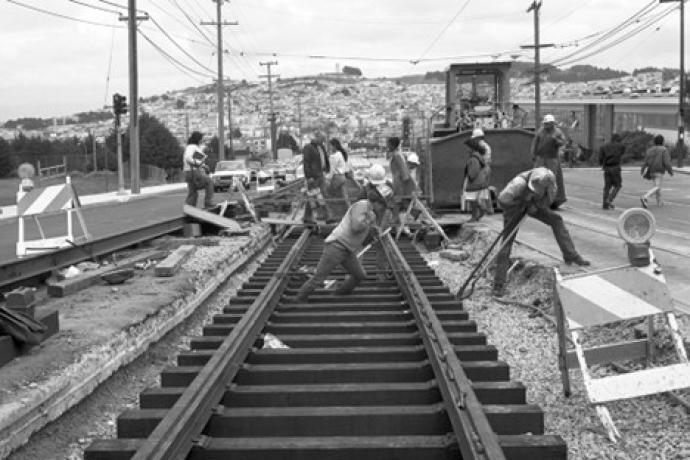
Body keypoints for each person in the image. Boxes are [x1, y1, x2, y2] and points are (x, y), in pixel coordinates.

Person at [493, 167, 590, 298]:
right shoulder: (518, 183)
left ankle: (570, 254)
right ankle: (498, 284)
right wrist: (521, 204)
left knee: (556, 220)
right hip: (514, 207)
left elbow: (547, 202)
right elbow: (502, 200)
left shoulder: (551, 186)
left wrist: (536, 206)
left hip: (533, 206)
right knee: (506, 243)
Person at [291, 181, 393, 303]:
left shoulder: (371, 214)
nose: (382, 209)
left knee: (359, 275)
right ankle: (298, 300)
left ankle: (339, 294)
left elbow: (361, 235)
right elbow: (356, 226)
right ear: (378, 202)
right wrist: (369, 223)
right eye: (383, 206)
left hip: (347, 250)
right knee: (318, 278)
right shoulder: (362, 206)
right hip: (336, 246)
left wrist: (373, 232)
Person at [531, 114, 567, 209]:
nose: (546, 126)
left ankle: (550, 201)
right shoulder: (540, 131)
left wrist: (555, 140)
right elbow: (535, 143)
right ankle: (537, 200)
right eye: (545, 124)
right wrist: (533, 155)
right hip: (541, 158)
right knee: (537, 178)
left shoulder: (557, 132)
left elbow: (563, 142)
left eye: (548, 124)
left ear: (552, 124)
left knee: (551, 180)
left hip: (552, 159)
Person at [302, 131, 334, 223]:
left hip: (321, 174)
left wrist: (327, 169)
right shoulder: (309, 148)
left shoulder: (321, 147)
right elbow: (306, 163)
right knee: (313, 196)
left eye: (324, 140)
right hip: (313, 176)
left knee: (322, 195)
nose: (323, 141)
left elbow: (325, 158)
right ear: (316, 138)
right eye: (322, 139)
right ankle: (309, 217)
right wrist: (309, 177)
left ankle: (325, 216)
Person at [388, 136, 416, 224]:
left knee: (397, 201)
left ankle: (395, 220)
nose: (387, 146)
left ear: (393, 145)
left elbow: (403, 171)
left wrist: (404, 183)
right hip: (398, 182)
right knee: (401, 202)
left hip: (399, 183)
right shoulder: (396, 154)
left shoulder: (397, 155)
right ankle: (415, 213)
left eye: (388, 144)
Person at [640, 134, 674, 208]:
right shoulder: (664, 150)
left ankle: (660, 202)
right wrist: (670, 171)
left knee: (656, 186)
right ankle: (645, 197)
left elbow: (645, 162)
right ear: (663, 141)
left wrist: (642, 170)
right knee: (657, 186)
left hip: (651, 170)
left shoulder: (650, 150)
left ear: (654, 141)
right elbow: (667, 163)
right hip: (659, 170)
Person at [183, 131, 214, 208]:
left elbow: (192, 159)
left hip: (188, 172)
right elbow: (188, 158)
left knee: (193, 193)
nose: (202, 141)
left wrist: (203, 166)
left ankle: (189, 208)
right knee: (209, 182)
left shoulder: (190, 146)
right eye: (201, 139)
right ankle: (208, 203)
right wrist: (198, 163)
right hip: (193, 172)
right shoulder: (192, 147)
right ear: (198, 139)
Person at [463, 138, 491, 222]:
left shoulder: (473, 159)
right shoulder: (478, 157)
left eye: (467, 147)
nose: (466, 149)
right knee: (474, 200)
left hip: (474, 183)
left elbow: (473, 172)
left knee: (472, 200)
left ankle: (475, 215)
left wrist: (470, 177)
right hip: (480, 182)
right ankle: (480, 211)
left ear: (471, 148)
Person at [598, 133, 625, 210]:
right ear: (618, 139)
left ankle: (605, 204)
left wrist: (602, 164)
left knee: (607, 187)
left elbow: (600, 158)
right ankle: (609, 200)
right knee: (618, 185)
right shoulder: (621, 146)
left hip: (606, 168)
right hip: (615, 167)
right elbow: (622, 153)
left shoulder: (603, 146)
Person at [328, 138, 357, 208]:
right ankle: (349, 209)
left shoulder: (333, 156)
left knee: (329, 193)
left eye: (330, 145)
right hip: (342, 177)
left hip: (336, 178)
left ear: (334, 146)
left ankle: (331, 211)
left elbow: (332, 169)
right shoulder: (341, 153)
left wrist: (328, 178)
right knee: (345, 196)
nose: (329, 147)